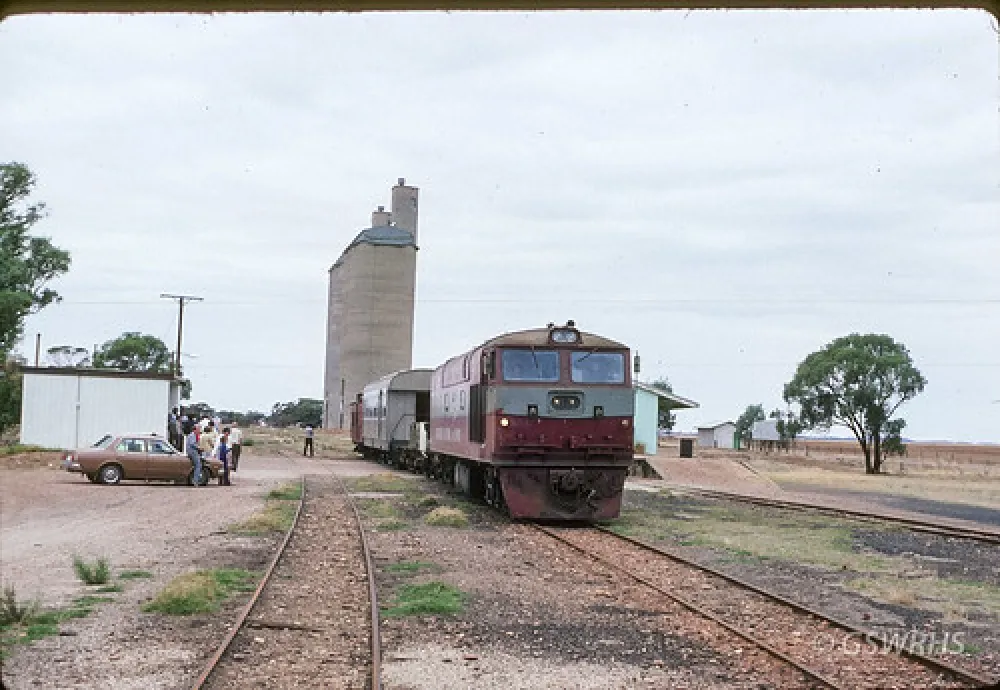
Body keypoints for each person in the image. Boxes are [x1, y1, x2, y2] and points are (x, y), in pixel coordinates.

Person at [184, 421, 202, 487]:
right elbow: (192, 444)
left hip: (192, 451)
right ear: (195, 429)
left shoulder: (192, 435)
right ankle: (195, 480)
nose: (199, 430)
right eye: (198, 429)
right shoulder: (192, 435)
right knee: (198, 465)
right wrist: (199, 448)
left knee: (197, 465)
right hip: (192, 452)